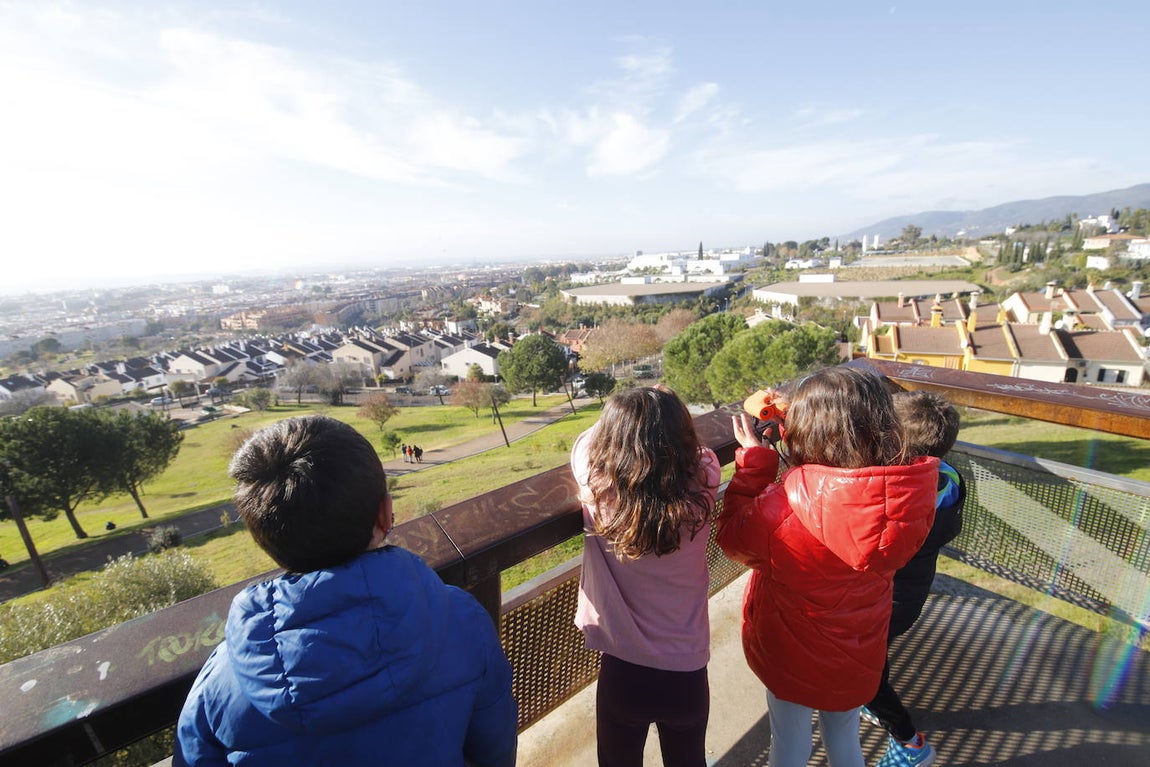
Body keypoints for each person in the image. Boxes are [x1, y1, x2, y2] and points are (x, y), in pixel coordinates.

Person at [173, 415, 517, 767]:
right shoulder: (460, 620)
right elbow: (495, 749)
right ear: (385, 514)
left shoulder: (221, 679)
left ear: (264, 538)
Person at [717, 367, 939, 767]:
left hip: (792, 654)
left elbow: (732, 537)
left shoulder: (781, 510)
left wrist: (756, 465)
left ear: (805, 431)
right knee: (844, 736)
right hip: (859, 652)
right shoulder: (907, 495)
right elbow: (843, 497)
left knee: (789, 741)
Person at [571, 386, 721, 767]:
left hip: (624, 670)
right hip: (686, 671)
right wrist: (664, 407)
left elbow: (586, 442)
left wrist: (629, 413)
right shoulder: (704, 480)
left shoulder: (599, 490)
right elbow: (699, 451)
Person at [863, 391, 966, 767]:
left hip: (885, 600)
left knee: (867, 676)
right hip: (908, 596)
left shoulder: (901, 498)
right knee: (875, 657)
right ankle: (873, 701)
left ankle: (909, 742)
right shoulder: (948, 479)